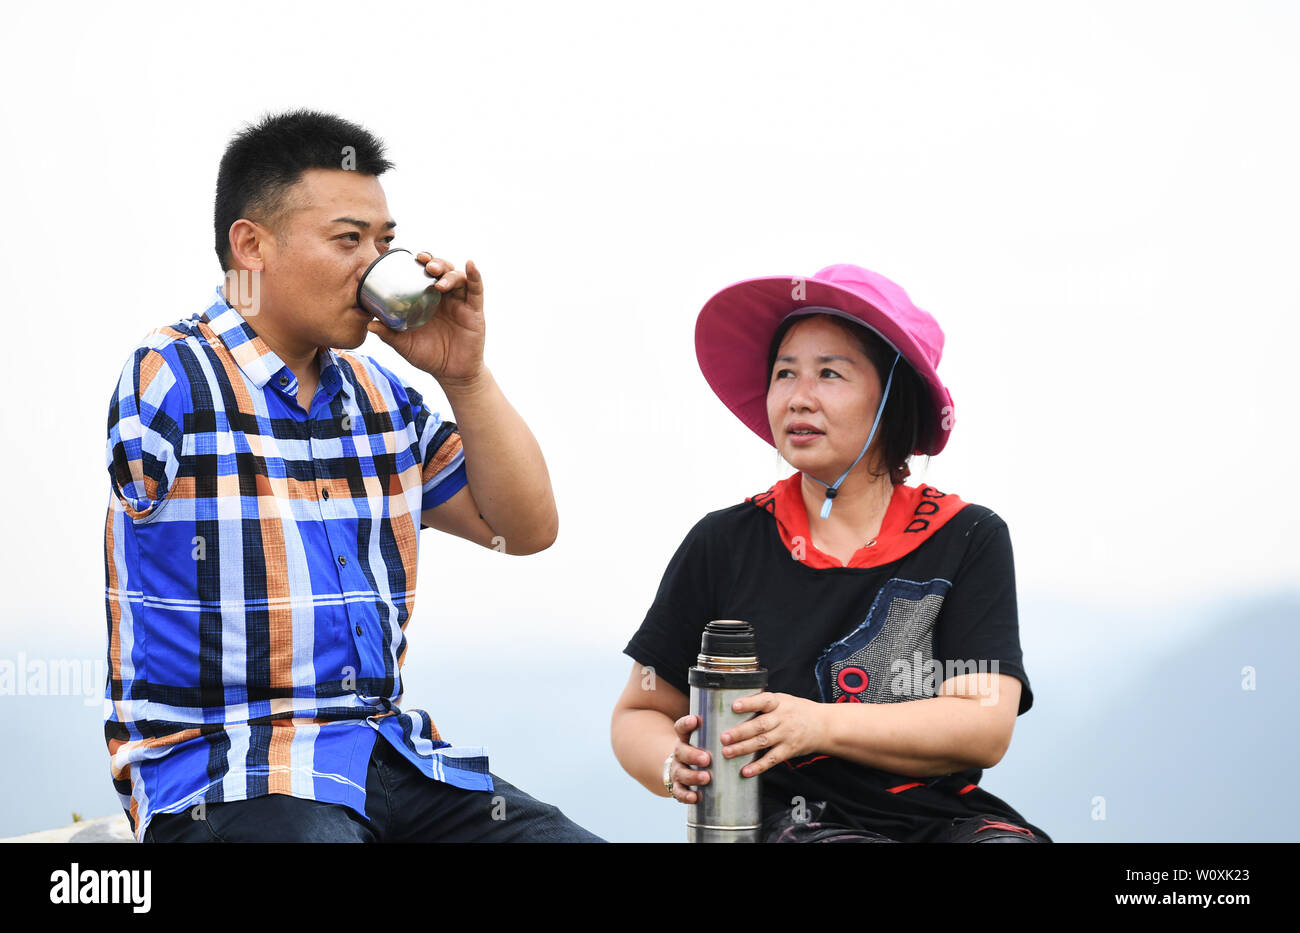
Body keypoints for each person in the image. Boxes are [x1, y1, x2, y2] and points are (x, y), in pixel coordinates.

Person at [103, 108, 601, 842]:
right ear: (251, 246)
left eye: (384, 243)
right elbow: (136, 460)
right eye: (348, 239)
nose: (375, 265)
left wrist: (464, 374)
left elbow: (524, 530)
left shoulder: (382, 398)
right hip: (224, 773)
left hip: (383, 757)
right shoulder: (173, 371)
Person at [610, 264, 1050, 843]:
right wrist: (672, 764)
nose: (799, 397)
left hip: (944, 819)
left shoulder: (966, 536)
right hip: (785, 823)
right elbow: (640, 711)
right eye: (785, 373)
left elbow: (982, 727)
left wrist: (816, 724)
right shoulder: (724, 543)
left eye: (829, 374)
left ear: (892, 397)